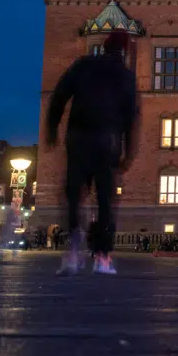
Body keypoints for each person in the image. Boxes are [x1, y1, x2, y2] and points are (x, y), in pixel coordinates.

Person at [46, 29, 141, 276]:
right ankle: (102, 256)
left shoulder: (83, 65)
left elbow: (59, 95)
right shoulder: (126, 76)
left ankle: (74, 250)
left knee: (75, 194)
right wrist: (129, 153)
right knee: (106, 200)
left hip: (78, 138)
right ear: (124, 51)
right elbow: (132, 119)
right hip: (107, 143)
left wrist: (51, 127)